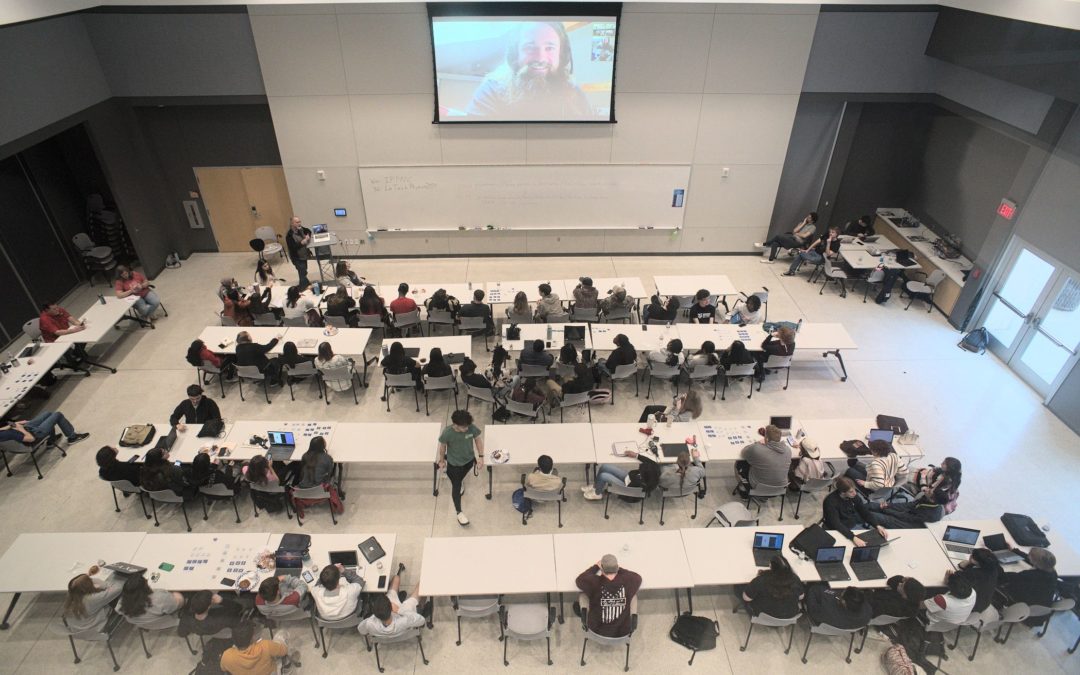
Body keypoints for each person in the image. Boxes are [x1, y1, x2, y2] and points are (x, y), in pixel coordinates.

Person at [466, 21, 591, 120]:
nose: (540, 58)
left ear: (561, 55)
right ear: (515, 54)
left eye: (549, 48)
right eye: (530, 48)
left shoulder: (575, 95)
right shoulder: (490, 92)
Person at [574, 554, 642, 637]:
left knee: (583, 593)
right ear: (617, 567)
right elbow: (638, 577)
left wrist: (596, 566)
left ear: (602, 568)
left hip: (596, 632)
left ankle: (583, 612)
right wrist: (618, 569)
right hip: (622, 633)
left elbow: (580, 579)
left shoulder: (594, 582)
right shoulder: (628, 581)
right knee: (633, 594)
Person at [437, 410, 484, 526]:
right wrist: (441, 460)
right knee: (456, 487)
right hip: (455, 464)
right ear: (455, 424)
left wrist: (481, 456)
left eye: (468, 426)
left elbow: (477, 439)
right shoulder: (447, 433)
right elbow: (442, 447)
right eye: (464, 427)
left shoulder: (470, 427)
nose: (467, 429)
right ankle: (459, 512)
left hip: (469, 460)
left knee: (461, 477)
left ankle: (457, 479)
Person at [357, 563, 426, 640]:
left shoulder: (370, 623)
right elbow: (422, 621)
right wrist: (399, 610)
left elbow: (362, 631)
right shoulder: (405, 621)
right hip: (404, 613)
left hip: (389, 631)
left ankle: (398, 596)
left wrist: (373, 617)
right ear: (391, 608)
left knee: (396, 578)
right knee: (420, 587)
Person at [821, 476, 889, 546]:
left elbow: (864, 512)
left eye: (854, 489)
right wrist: (853, 537)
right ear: (842, 492)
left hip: (852, 522)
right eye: (851, 491)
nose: (855, 493)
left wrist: (877, 525)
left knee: (874, 542)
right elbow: (836, 524)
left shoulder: (853, 496)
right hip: (841, 528)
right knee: (865, 545)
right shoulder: (830, 502)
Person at [63, 566, 124, 633]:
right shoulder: (93, 598)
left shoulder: (72, 593)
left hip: (75, 628)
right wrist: (104, 584)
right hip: (92, 629)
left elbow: (76, 584)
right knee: (116, 598)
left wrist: (86, 580)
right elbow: (119, 588)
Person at [585, 447, 662, 501]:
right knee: (605, 466)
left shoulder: (647, 483)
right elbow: (649, 461)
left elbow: (640, 491)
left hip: (628, 488)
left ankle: (597, 494)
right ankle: (596, 487)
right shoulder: (653, 467)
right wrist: (636, 455)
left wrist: (634, 477)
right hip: (630, 478)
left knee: (603, 476)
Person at [739, 556, 804, 618]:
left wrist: (754, 582)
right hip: (790, 616)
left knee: (739, 587)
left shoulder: (761, 580)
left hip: (764, 615)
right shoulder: (795, 579)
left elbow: (746, 598)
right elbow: (801, 597)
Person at [220, 620, 290, 675]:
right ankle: (286, 668)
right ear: (251, 638)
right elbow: (284, 651)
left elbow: (223, 669)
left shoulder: (226, 656)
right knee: (280, 635)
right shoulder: (265, 645)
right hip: (270, 672)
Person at [736, 425, 790, 492]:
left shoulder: (757, 448)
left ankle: (744, 492)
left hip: (759, 487)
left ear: (766, 438)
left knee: (739, 462)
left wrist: (757, 443)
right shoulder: (788, 450)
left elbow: (744, 452)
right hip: (780, 489)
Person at [118, 572, 185, 620]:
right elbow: (179, 602)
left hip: (145, 623)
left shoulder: (122, 604)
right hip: (165, 620)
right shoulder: (159, 598)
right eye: (146, 582)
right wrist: (175, 593)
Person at [952, 549, 1001, 613]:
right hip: (984, 604)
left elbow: (956, 576)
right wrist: (970, 562)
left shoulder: (974, 573)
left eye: (972, 556)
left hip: (970, 606)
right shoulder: (993, 569)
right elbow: (964, 567)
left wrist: (969, 562)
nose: (970, 556)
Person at [178, 590, 243, 639]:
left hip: (206, 632)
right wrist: (222, 601)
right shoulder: (221, 615)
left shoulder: (186, 619)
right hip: (226, 632)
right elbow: (239, 608)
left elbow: (182, 633)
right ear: (209, 606)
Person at [0, 411, 89, 446]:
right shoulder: (8, 434)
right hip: (34, 435)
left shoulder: (4, 433)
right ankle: (72, 437)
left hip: (25, 429)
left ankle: (51, 440)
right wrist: (20, 428)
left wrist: (14, 424)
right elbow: (31, 439)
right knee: (58, 415)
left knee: (48, 414)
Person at [805, 585, 871, 629]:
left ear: (844, 602)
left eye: (842, 594)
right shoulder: (866, 613)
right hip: (847, 626)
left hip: (827, 622)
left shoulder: (827, 609)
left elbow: (813, 609)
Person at [284, 216, 312, 289]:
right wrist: (301, 243)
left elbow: (308, 230)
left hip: (304, 255)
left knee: (304, 271)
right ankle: (302, 287)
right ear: (292, 224)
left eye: (300, 221)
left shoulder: (300, 229)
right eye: (297, 222)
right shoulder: (289, 235)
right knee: (302, 271)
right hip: (297, 257)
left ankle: (305, 284)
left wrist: (308, 235)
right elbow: (292, 248)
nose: (299, 223)